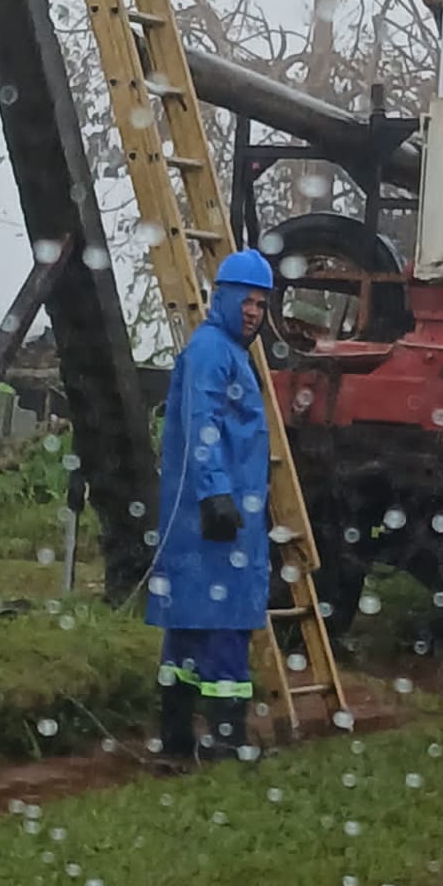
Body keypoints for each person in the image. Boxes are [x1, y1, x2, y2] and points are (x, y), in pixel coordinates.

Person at [146, 248, 275, 763]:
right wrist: (216, 493)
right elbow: (205, 425)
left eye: (262, 305)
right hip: (216, 519)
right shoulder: (213, 353)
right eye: (248, 300)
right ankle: (226, 739)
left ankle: (176, 736)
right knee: (223, 626)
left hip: (208, 518)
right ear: (222, 296)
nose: (254, 312)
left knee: (189, 626)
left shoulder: (224, 351)